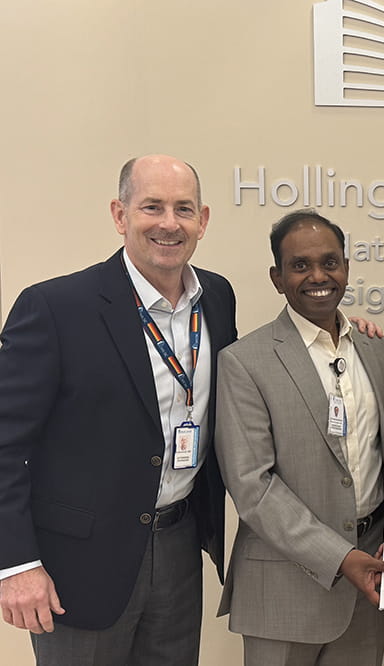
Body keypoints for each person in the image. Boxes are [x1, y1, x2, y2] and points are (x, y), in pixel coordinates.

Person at [0, 154, 237, 665]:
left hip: (179, 546)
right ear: (119, 214)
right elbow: (4, 445)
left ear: (204, 220)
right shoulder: (56, 307)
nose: (169, 223)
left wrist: (334, 331)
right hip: (78, 565)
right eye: (152, 206)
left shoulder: (216, 298)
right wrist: (15, 563)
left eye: (183, 208)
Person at [214, 209, 384, 666]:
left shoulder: (376, 349)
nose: (318, 276)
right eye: (300, 265)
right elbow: (253, 487)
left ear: (346, 267)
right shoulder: (245, 362)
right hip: (284, 590)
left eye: (330, 262)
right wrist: (340, 558)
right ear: (277, 277)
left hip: (369, 582)